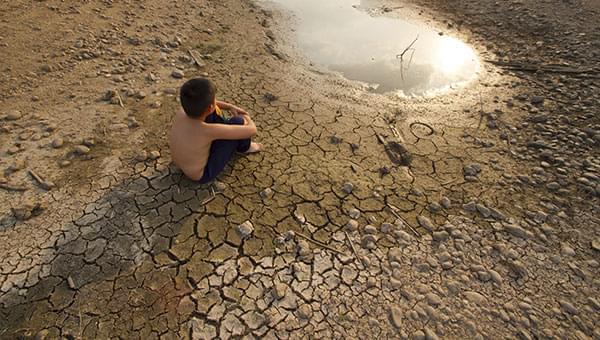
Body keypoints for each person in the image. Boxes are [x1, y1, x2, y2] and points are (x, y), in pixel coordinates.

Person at [170, 78, 262, 183]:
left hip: (179, 164)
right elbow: (252, 130)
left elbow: (211, 105)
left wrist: (229, 107)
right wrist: (246, 117)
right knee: (238, 121)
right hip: (202, 174)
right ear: (210, 107)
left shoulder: (182, 112)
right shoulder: (208, 130)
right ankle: (244, 147)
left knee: (210, 113)